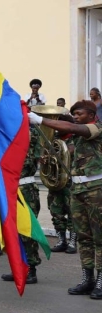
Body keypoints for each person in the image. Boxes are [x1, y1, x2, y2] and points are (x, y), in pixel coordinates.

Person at [29, 101, 102, 299]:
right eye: (74, 114)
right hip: (78, 189)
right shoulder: (76, 139)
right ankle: (88, 279)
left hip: (96, 189)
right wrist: (47, 156)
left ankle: (101, 281)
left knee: (99, 238)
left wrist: (40, 120)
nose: (76, 117)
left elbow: (71, 126)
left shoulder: (97, 128)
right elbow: (66, 151)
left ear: (91, 114)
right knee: (84, 237)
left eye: (79, 114)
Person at [0, 122, 42, 284]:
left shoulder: (30, 133)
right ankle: (18, 267)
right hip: (8, 188)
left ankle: (31, 269)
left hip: (25, 188)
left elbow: (33, 155)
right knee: (12, 231)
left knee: (26, 231)